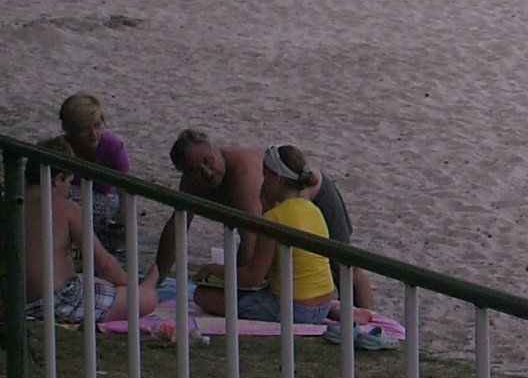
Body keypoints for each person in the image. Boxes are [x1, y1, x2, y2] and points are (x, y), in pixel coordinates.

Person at [160, 129, 375, 311]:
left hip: (315, 194)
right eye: (196, 171)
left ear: (217, 148)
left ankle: (369, 322)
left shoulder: (243, 177)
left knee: (342, 265)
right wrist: (156, 278)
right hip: (281, 212)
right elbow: (177, 227)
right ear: (186, 174)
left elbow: (250, 238)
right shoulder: (190, 184)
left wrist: (235, 290)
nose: (206, 172)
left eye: (209, 161)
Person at [192, 145, 338, 324]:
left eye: (265, 175)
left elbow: (254, 277)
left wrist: (213, 270)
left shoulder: (274, 217)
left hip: (293, 309)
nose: (261, 182)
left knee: (203, 296)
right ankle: (334, 312)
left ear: (275, 178)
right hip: (322, 305)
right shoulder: (313, 210)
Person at [26, 140, 157, 326]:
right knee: (147, 298)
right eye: (69, 183)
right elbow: (103, 262)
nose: (68, 190)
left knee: (89, 280)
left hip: (18, 299)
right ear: (58, 179)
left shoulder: (11, 201)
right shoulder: (65, 208)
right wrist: (128, 287)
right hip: (57, 302)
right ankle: (147, 285)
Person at [57, 92, 133, 255]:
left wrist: (124, 226)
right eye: (85, 129)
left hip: (105, 205)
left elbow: (126, 190)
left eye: (97, 125)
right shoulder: (61, 148)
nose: (93, 134)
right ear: (70, 129)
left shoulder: (113, 146)